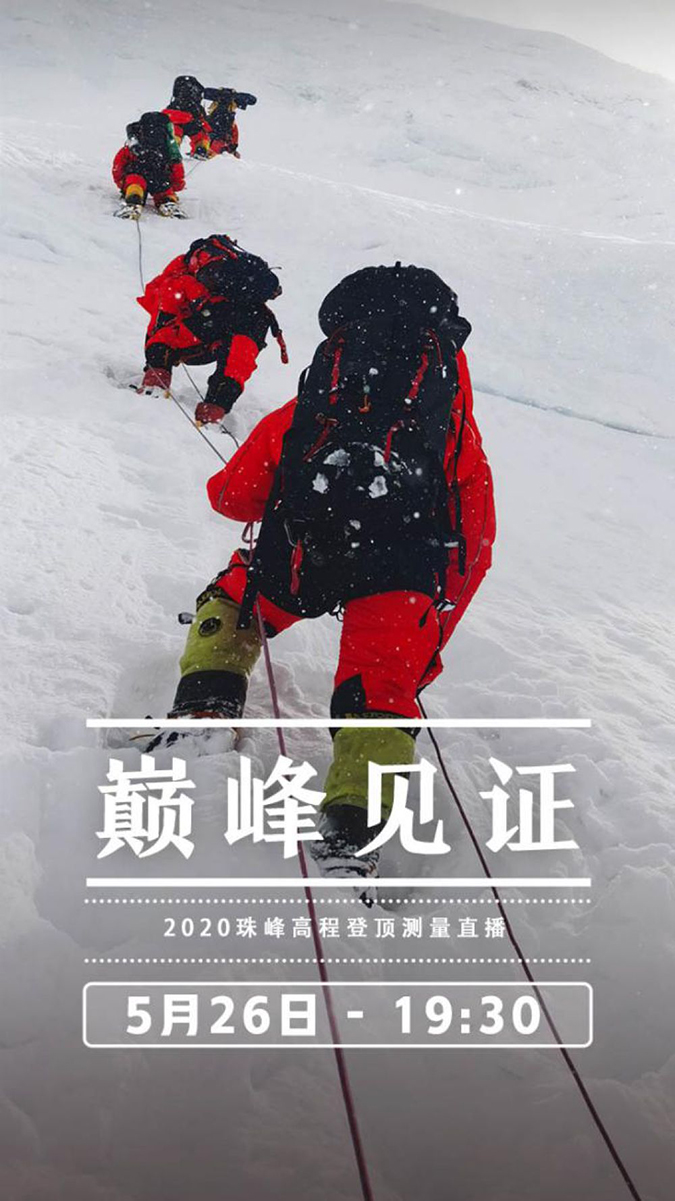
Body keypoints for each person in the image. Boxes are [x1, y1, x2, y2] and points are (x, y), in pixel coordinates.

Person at [153, 264, 496, 882]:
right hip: (401, 575)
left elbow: (231, 498)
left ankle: (206, 705)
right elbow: (474, 546)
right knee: (381, 689)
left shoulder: (315, 405)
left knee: (236, 597)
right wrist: (428, 635)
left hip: (304, 554)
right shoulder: (451, 428)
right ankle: (351, 836)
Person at [136, 234, 288, 418]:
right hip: (228, 330)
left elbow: (161, 323)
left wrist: (156, 365)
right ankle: (214, 410)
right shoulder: (253, 305)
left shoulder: (182, 276)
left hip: (204, 326)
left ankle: (156, 384)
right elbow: (239, 361)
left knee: (167, 336)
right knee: (237, 357)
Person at [112, 111, 186, 218]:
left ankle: (133, 201)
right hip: (160, 176)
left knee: (134, 184)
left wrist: (121, 182)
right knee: (164, 190)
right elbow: (176, 167)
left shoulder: (134, 146)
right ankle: (168, 202)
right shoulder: (168, 149)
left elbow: (119, 163)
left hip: (136, 173)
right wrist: (177, 184)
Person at [163, 75, 212, 159]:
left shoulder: (174, 104)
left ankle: (170, 151)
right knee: (201, 137)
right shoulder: (196, 106)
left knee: (174, 136)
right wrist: (207, 128)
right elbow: (202, 120)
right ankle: (200, 150)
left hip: (175, 121)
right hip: (191, 122)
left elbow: (166, 114)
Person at [203, 88, 257, 157]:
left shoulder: (208, 146)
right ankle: (226, 98)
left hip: (216, 128)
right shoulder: (225, 148)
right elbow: (234, 133)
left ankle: (225, 98)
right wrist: (233, 150)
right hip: (221, 128)